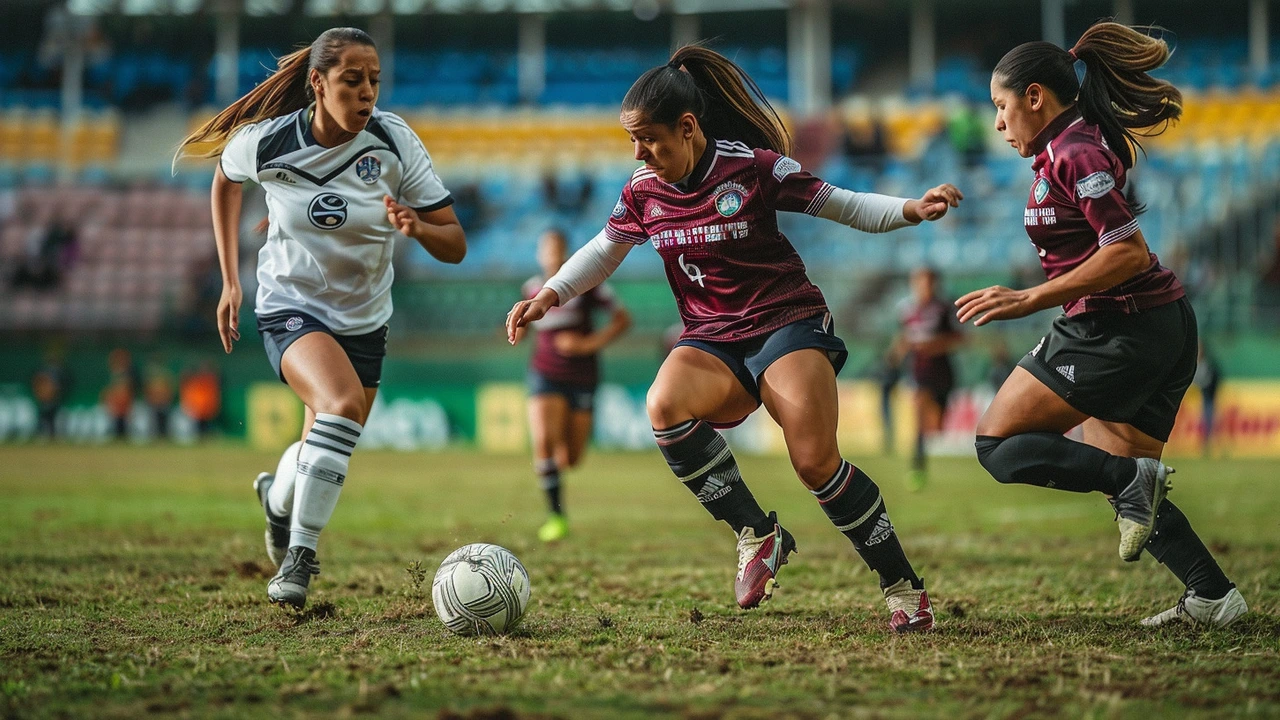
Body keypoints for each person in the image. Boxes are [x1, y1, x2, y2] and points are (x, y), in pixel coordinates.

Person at [506, 45, 962, 632]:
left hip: (785, 323)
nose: (640, 154)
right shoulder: (644, 190)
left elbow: (842, 205)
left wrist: (910, 208)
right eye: (633, 143)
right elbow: (603, 250)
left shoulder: (753, 167)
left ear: (688, 127)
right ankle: (758, 532)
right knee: (663, 405)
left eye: (649, 140)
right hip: (712, 338)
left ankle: (902, 588)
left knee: (815, 464)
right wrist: (549, 295)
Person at [958, 22, 1247, 627]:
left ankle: (1133, 480)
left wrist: (1029, 298)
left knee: (996, 445)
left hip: (1120, 327)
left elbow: (1128, 252)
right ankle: (1212, 595)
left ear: (1035, 96)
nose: (998, 123)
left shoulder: (1076, 151)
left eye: (1001, 107)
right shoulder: (1064, 149)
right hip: (1149, 325)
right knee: (1121, 475)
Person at [176, 27, 466, 610]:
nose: (366, 95)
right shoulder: (268, 142)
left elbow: (455, 243)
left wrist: (416, 225)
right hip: (289, 305)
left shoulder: (394, 141)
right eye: (352, 81)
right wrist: (233, 280)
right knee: (339, 408)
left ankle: (276, 501)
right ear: (318, 82)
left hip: (365, 318)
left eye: (374, 82)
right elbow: (226, 182)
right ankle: (300, 558)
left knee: (325, 442)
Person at [522, 228, 632, 542]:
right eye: (546, 248)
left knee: (570, 458)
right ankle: (556, 516)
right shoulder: (531, 288)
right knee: (543, 440)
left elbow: (623, 319)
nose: (552, 253)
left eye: (558, 247)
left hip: (582, 377)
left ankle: (554, 475)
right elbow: (528, 328)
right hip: (544, 373)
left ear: (568, 250)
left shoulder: (587, 284)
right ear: (540, 254)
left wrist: (588, 345)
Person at [892, 267, 963, 490]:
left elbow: (959, 338)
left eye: (928, 282)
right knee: (920, 419)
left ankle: (926, 459)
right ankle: (917, 468)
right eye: (919, 282)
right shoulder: (906, 309)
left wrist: (933, 346)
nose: (924, 287)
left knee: (937, 427)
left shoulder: (944, 308)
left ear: (936, 284)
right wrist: (898, 352)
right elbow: (905, 337)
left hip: (943, 374)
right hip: (919, 373)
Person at [1193, 342, 1221, 458]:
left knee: (1209, 421)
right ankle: (1206, 446)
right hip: (1199, 400)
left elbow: (1206, 381)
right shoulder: (1199, 364)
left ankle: (1208, 446)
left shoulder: (1207, 365)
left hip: (1208, 398)